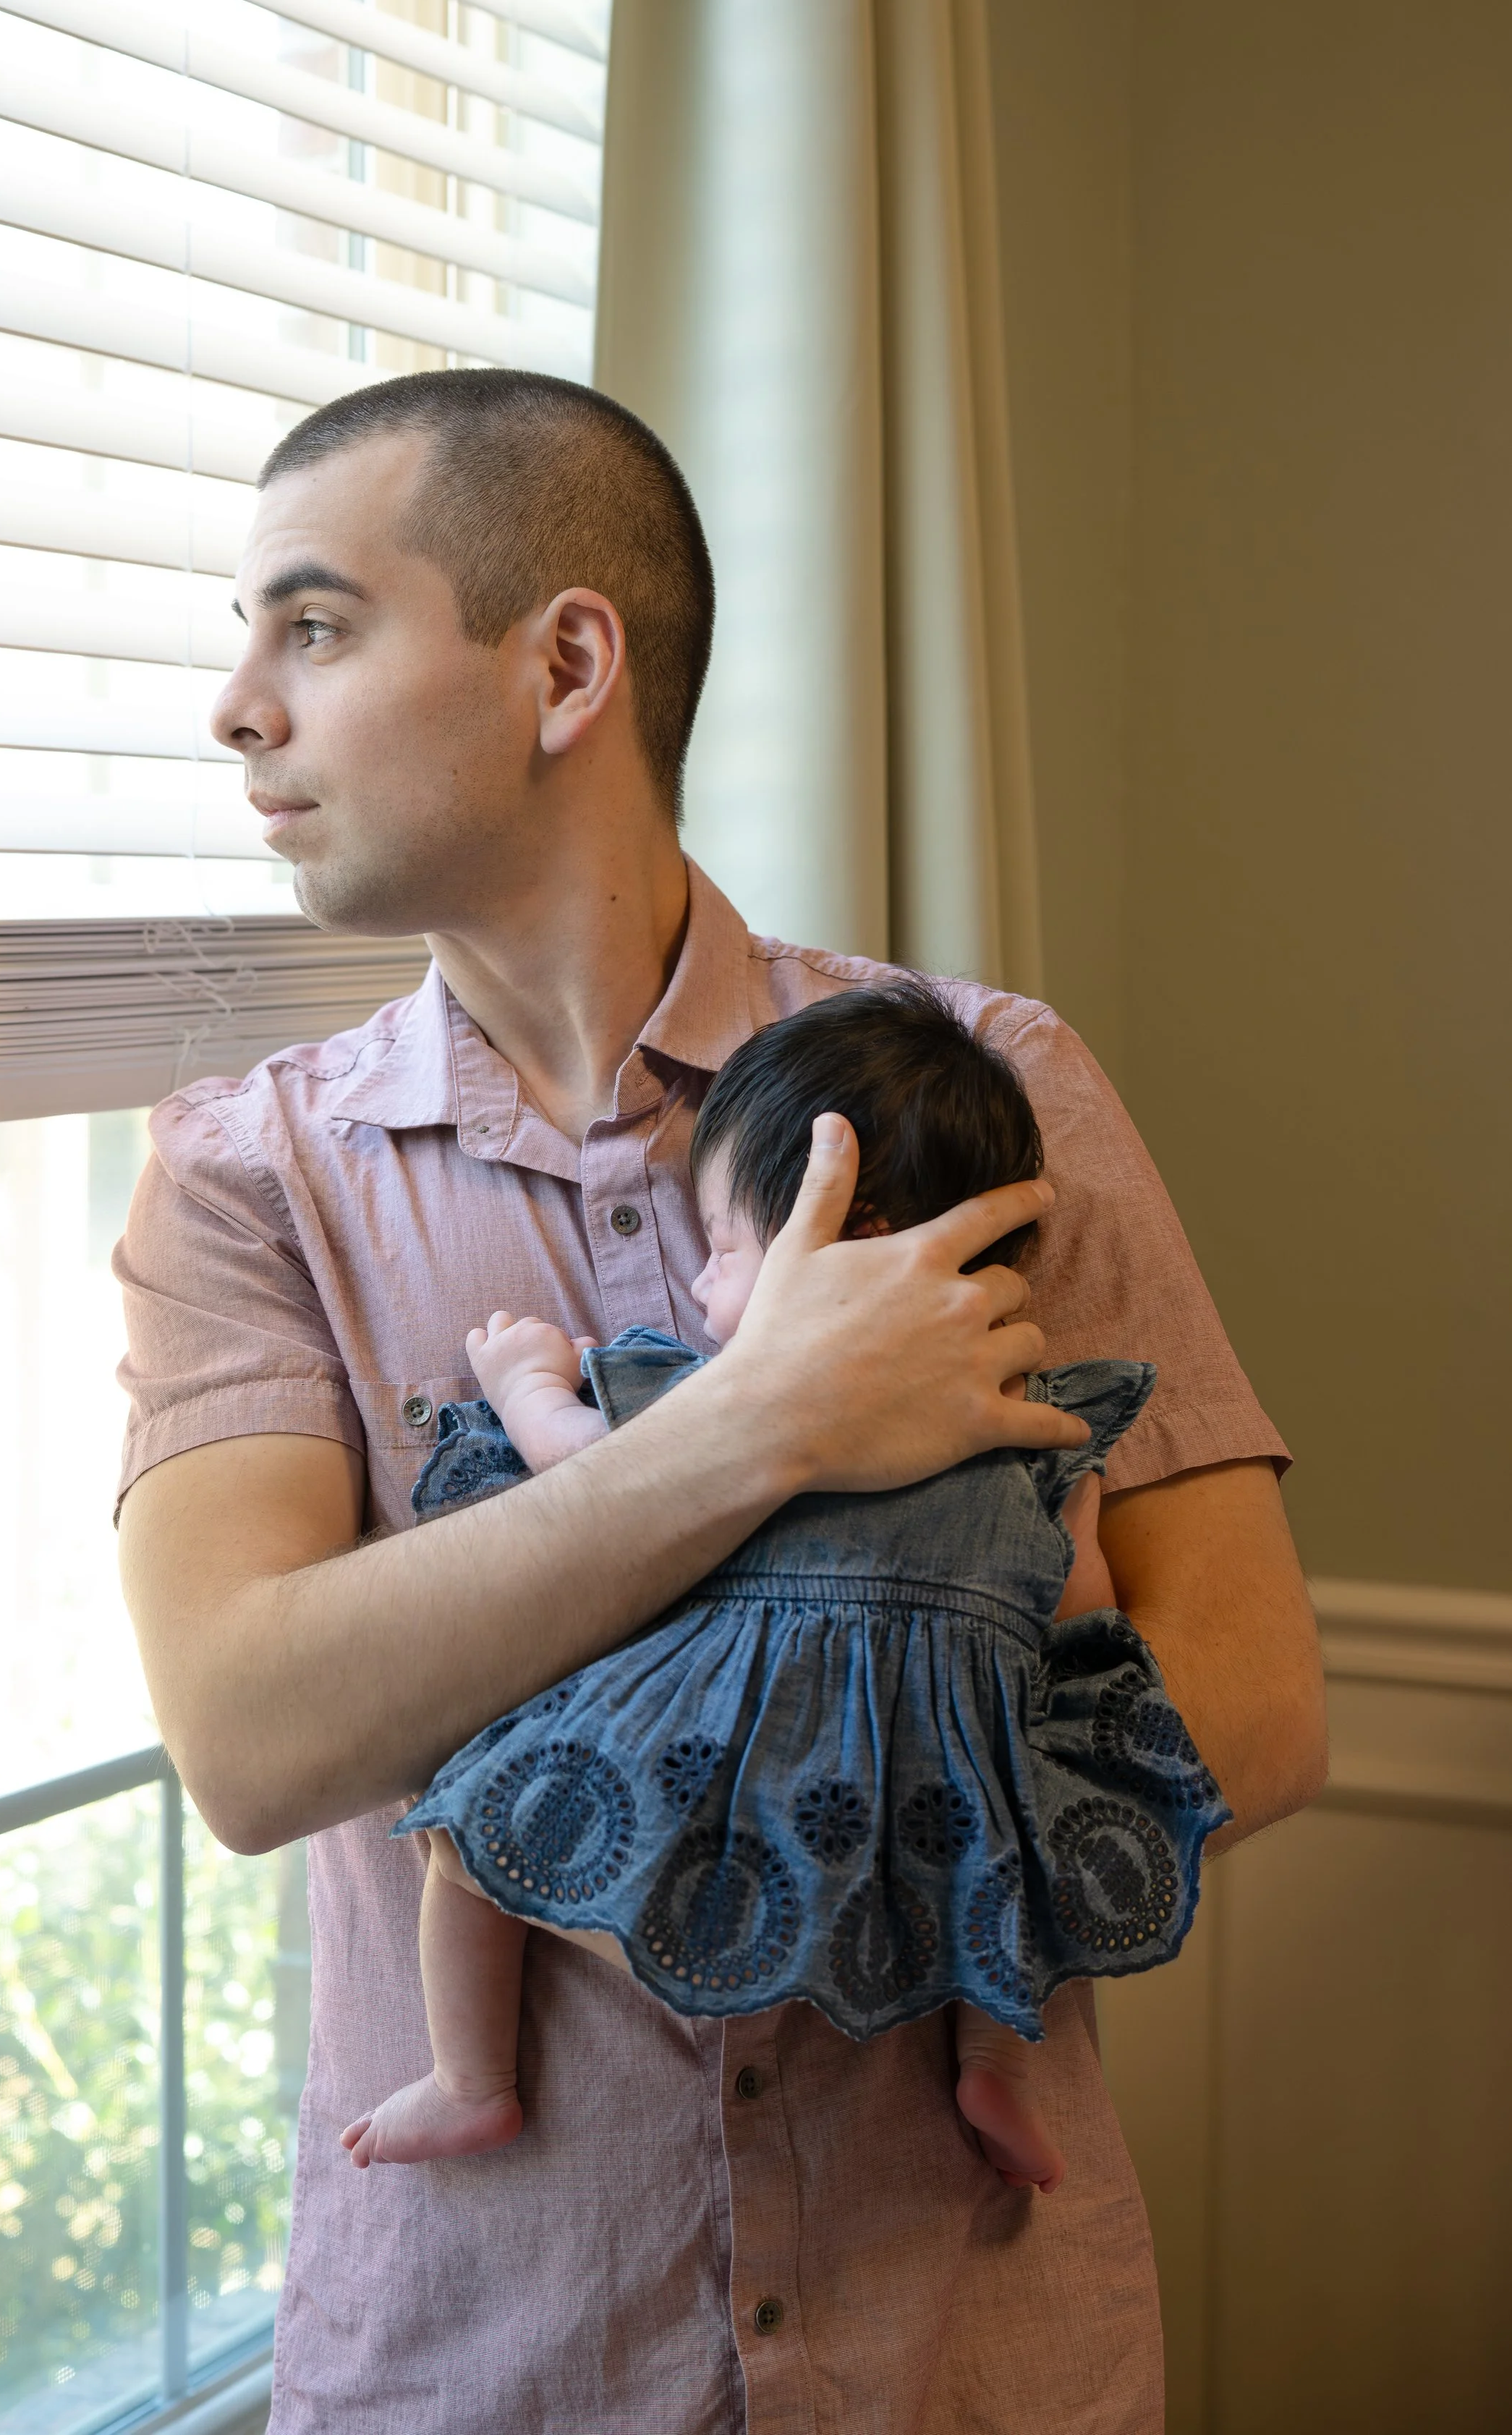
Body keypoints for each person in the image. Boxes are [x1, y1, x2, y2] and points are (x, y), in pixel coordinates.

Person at [114, 367, 1326, 2434]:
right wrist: (759, 1428)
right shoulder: (240, 1176)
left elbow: (1257, 1702)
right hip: (490, 2370)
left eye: (310, 625)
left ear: (564, 661)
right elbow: (248, 1733)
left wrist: (778, 1756)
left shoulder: (984, 1076)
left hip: (976, 2354)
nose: (238, 702)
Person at [341, 984, 1229, 2200]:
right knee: (1011, 1881)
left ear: (843, 1232)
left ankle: (472, 2078)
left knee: (463, 1832)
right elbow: (1077, 1597)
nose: (706, 1286)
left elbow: (584, 1473)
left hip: (732, 1764)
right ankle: (994, 2072)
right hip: (939, 1773)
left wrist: (526, 1380)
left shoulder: (706, 1397)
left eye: (726, 1247)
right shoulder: (1039, 1428)